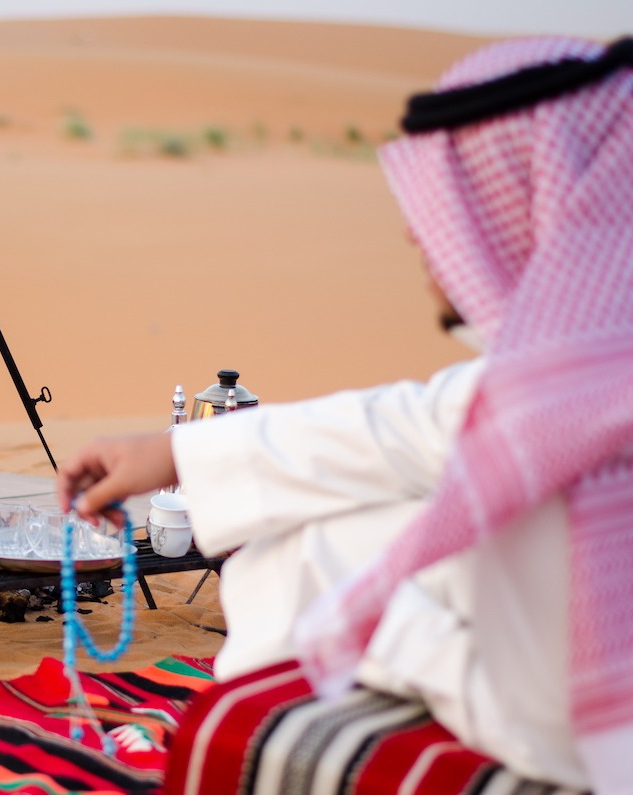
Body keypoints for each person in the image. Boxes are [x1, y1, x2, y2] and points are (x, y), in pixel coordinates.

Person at [57, 36, 632, 793]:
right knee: (296, 548)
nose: (416, 235)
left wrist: (378, 625)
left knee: (308, 561)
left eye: (451, 205)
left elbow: (547, 719)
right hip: (526, 645)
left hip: (565, 720)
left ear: (525, 206)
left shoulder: (579, 394)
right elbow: (412, 424)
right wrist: (174, 452)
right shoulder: (587, 362)